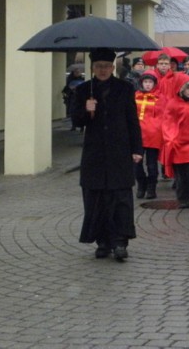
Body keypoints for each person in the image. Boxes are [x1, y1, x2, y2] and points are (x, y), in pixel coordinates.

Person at [71, 48, 143, 262]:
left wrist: (137, 149)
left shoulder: (124, 88)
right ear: (92, 68)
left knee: (120, 197)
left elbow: (132, 121)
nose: (102, 70)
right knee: (97, 200)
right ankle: (102, 241)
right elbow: (76, 121)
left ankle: (120, 241)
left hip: (119, 151)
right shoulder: (84, 90)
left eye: (106, 66)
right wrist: (86, 110)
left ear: (113, 67)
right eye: (98, 66)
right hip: (95, 154)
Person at [161, 76, 189, 209]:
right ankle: (183, 198)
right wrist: (170, 139)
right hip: (178, 143)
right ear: (181, 88)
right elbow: (168, 123)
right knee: (181, 173)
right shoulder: (173, 104)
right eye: (187, 87)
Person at [134, 69, 166, 199]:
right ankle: (141, 185)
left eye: (150, 82)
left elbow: (163, 117)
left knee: (152, 164)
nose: (147, 84)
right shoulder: (135, 96)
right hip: (137, 135)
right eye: (145, 82)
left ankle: (151, 188)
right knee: (136, 164)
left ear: (154, 83)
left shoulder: (160, 98)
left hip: (153, 136)